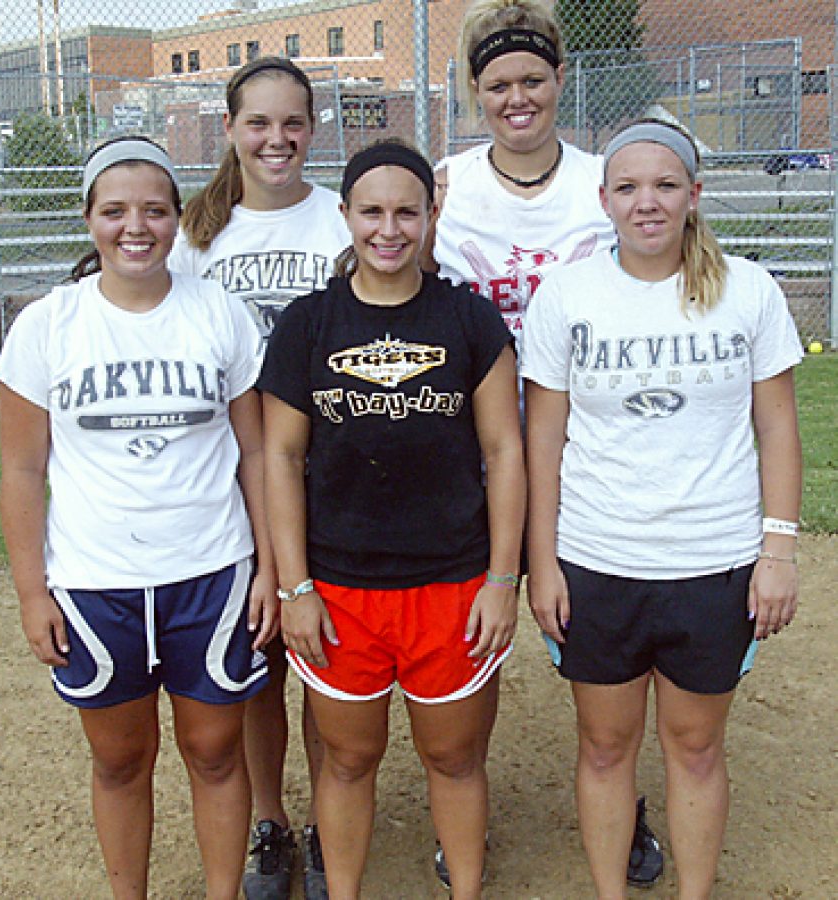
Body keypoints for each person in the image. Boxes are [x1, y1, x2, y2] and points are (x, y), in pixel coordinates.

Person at [521, 118, 803, 899]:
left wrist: (777, 550)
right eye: (629, 188)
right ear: (603, 199)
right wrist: (541, 562)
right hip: (598, 559)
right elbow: (542, 437)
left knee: (696, 746)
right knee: (607, 747)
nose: (647, 203)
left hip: (713, 561)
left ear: (694, 195)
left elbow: (777, 424)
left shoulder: (746, 289)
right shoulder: (568, 293)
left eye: (665, 186)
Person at [0, 137, 278, 900]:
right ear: (88, 219)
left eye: (155, 210)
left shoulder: (219, 313)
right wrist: (31, 593)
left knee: (215, 749)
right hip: (96, 581)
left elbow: (255, 453)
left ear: (177, 219)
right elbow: (21, 470)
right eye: (114, 211)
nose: (136, 227)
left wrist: (270, 570)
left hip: (209, 571)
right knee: (120, 758)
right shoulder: (48, 325)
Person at [426, 0, 662, 887]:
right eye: (497, 84)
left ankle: (625, 801)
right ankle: (461, 811)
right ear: (475, 91)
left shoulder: (609, 179)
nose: (516, 98)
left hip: (596, 448)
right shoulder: (446, 184)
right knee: (466, 639)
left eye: (532, 79)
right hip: (469, 445)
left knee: (605, 637)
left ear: (561, 80)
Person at [259, 139, 526, 900]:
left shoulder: (469, 320)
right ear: (343, 215)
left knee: (454, 758)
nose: (389, 228)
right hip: (341, 586)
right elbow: (280, 458)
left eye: (407, 210)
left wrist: (502, 578)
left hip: (452, 580)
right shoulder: (308, 325)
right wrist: (294, 587)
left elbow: (505, 451)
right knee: (347, 760)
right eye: (370, 210)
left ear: (432, 214)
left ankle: (465, 890)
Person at [169, 56, 349, 900]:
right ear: (231, 127)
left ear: (312, 128)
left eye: (293, 123)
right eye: (259, 123)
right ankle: (272, 822)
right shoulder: (198, 234)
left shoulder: (339, 221)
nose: (277, 140)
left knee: (325, 658)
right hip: (235, 478)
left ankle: (326, 826)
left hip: (335, 473)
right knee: (256, 661)